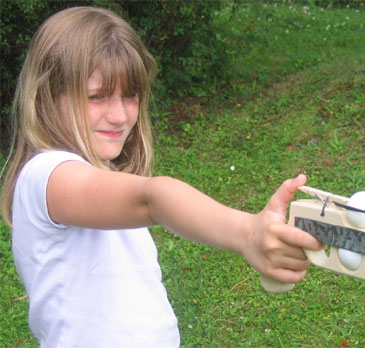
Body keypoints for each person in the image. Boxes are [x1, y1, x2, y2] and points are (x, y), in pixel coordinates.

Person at [0, 6, 323, 348]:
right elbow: (153, 197)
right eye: (96, 96)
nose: (120, 114)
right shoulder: (46, 176)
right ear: (49, 95)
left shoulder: (102, 180)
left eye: (130, 94)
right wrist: (246, 233)